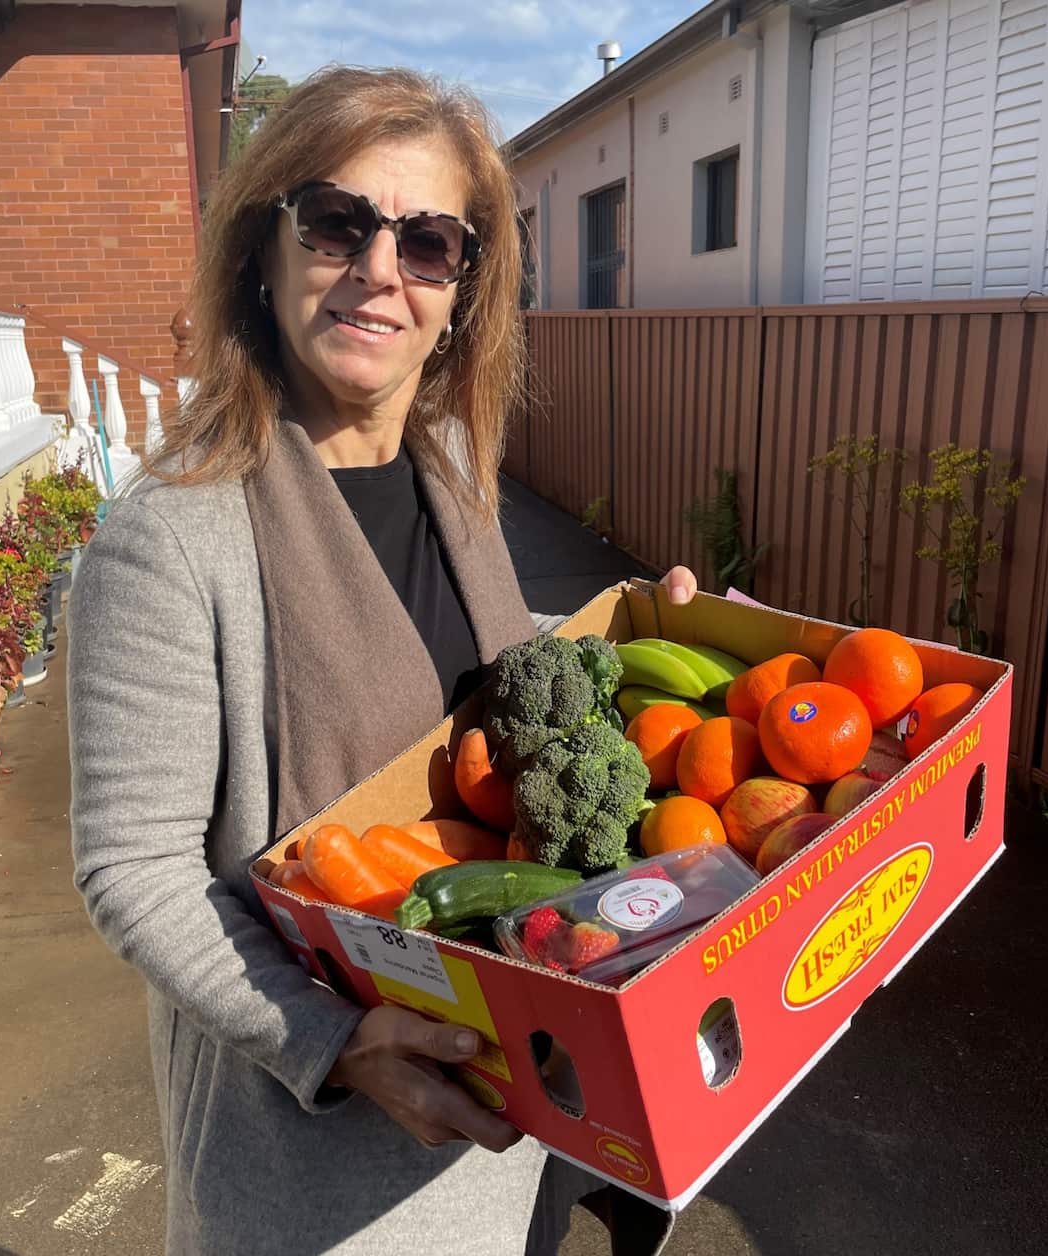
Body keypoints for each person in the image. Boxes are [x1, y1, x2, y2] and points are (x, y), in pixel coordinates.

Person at [68, 65, 697, 1256]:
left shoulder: (452, 469)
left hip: (507, 1114)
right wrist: (330, 1038)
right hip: (325, 1161)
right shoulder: (170, 535)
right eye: (338, 222)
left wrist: (640, 662)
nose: (377, 270)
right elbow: (131, 865)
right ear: (266, 248)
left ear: (462, 288)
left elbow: (493, 720)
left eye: (427, 241)